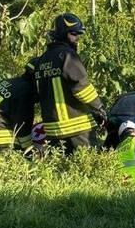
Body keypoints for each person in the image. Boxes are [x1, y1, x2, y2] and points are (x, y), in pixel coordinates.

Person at [35, 13, 107, 155]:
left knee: (61, 171)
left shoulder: (42, 60)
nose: (78, 37)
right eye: (74, 33)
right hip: (77, 128)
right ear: (62, 34)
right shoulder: (67, 55)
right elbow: (82, 88)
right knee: (88, 168)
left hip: (52, 130)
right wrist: (100, 109)